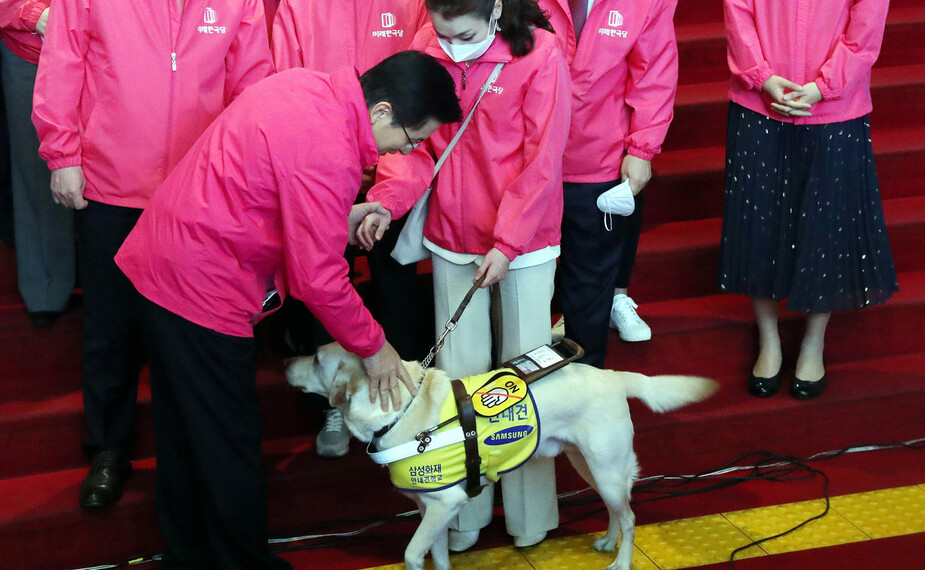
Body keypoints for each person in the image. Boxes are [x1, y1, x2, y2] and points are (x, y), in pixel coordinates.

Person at [115, 50, 462, 569]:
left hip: (167, 267)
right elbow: (318, 280)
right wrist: (376, 347)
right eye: (411, 138)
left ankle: (190, 555)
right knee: (228, 442)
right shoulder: (330, 147)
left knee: (185, 432)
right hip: (200, 287)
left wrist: (334, 218)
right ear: (383, 111)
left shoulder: (306, 89)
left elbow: (269, 194)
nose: (408, 149)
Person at [32, 0, 273, 510]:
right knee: (109, 328)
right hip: (109, 183)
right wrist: (62, 153)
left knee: (189, 333)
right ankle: (108, 447)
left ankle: (186, 452)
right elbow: (63, 60)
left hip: (199, 190)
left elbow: (253, 85)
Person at [358, 0, 570, 551]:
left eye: (465, 36)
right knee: (459, 382)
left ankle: (530, 516)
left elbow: (542, 158)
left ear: (496, 11)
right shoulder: (428, 41)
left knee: (525, 385)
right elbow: (412, 143)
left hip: (524, 240)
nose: (450, 47)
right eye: (442, 35)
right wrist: (386, 199)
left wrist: (509, 241)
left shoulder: (542, 53)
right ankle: (462, 514)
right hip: (452, 232)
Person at [272, 0, 430, 459]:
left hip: (397, 164)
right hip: (318, 167)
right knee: (316, 279)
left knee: (396, 283)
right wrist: (334, 168)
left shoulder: (411, 6)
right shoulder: (300, 8)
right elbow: (285, 96)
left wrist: (386, 194)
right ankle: (335, 403)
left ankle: (406, 399)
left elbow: (420, 113)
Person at [720, 0, 898, 400]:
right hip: (759, 103)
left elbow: (865, 27)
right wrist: (763, 78)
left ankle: (813, 342)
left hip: (836, 108)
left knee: (827, 228)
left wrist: (823, 87)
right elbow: (738, 11)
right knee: (759, 223)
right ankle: (769, 339)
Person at [540, 0, 678, 367]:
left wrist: (643, 147)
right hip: (525, 157)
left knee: (590, 281)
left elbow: (654, 72)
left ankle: (586, 382)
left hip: (598, 155)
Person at [1, 0, 75, 325]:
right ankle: (46, 285)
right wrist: (34, 14)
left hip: (114, 40)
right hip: (32, 45)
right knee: (37, 167)